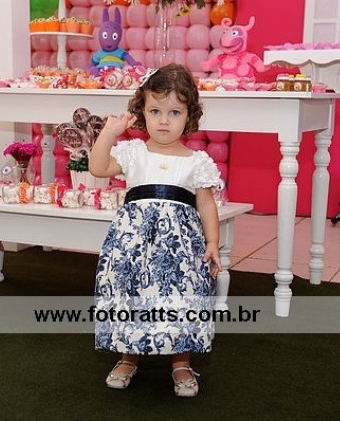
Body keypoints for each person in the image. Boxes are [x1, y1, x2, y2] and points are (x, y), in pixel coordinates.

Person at [89, 63, 221, 398]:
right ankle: (127, 357)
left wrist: (213, 242)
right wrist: (109, 132)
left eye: (174, 112)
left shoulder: (197, 161)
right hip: (132, 245)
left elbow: (206, 204)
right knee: (131, 296)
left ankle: (181, 363)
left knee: (180, 299)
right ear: (142, 112)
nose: (164, 120)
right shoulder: (134, 153)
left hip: (180, 250)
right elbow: (98, 167)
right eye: (155, 111)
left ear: (189, 116)